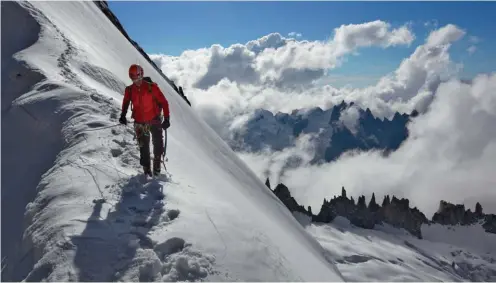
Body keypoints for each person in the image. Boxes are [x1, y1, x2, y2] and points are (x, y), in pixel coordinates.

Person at [119, 64, 170, 176]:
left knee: (157, 144)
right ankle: (147, 170)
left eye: (138, 78)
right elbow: (126, 102)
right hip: (140, 122)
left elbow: (164, 102)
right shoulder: (130, 90)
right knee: (144, 147)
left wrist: (166, 118)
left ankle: (157, 166)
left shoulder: (152, 87)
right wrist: (123, 114)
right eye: (134, 79)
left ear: (142, 75)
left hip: (154, 120)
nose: (137, 81)